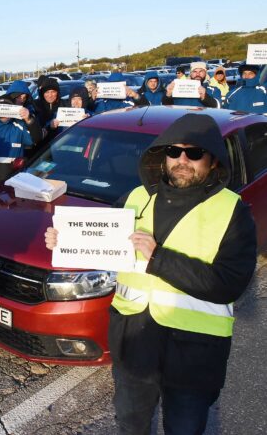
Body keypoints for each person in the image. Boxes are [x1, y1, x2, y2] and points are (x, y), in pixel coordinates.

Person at [45, 113, 257, 434]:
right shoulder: (136, 197)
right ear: (163, 154)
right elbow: (102, 243)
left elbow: (228, 284)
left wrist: (158, 257)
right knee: (131, 425)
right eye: (174, 151)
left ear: (213, 160)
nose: (182, 159)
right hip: (135, 346)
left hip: (194, 356)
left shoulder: (232, 210)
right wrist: (66, 240)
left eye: (195, 152)